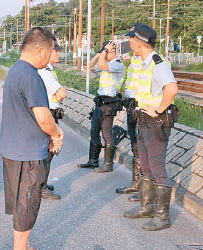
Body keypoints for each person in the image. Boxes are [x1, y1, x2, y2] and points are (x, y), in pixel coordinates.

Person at [1, 27, 64, 250]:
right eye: (49, 53)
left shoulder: (15, 70)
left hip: (12, 149)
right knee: (27, 205)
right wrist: (56, 134)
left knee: (21, 203)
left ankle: (24, 245)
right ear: (39, 50)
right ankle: (20, 248)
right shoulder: (31, 76)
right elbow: (43, 117)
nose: (50, 58)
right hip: (28, 154)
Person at [122, 23, 178, 231]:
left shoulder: (158, 63)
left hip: (155, 122)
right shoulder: (142, 62)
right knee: (145, 164)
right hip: (142, 120)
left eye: (132, 39)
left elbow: (172, 88)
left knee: (156, 166)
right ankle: (147, 206)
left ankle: (163, 216)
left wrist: (159, 109)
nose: (130, 42)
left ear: (141, 42)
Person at [77, 41, 125, 172]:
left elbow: (102, 65)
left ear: (112, 51)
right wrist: (100, 53)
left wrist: (104, 53)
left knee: (107, 134)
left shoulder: (117, 64)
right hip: (100, 103)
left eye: (106, 51)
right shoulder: (107, 63)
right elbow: (90, 66)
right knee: (94, 132)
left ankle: (108, 164)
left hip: (109, 104)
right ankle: (93, 161)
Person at [37, 38, 67, 200]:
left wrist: (59, 93)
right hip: (49, 113)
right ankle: (41, 187)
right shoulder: (45, 72)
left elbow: (59, 93)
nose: (58, 54)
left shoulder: (50, 70)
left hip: (52, 112)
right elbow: (62, 93)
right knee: (49, 151)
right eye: (57, 51)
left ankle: (43, 183)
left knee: (49, 151)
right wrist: (60, 93)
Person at [116, 23, 142, 202]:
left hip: (143, 111)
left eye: (132, 38)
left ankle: (144, 190)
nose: (129, 41)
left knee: (143, 149)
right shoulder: (134, 60)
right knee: (135, 147)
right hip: (131, 108)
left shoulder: (152, 61)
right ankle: (136, 184)